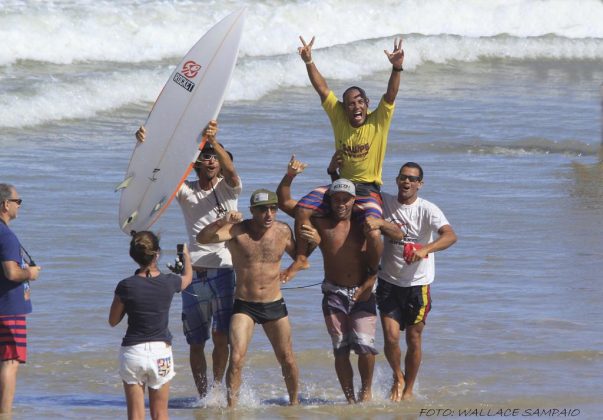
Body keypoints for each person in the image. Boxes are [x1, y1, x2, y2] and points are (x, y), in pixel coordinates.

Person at [282, 35, 405, 282]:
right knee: (303, 209)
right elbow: (322, 88)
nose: (355, 107)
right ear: (344, 107)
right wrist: (308, 61)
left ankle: (372, 273)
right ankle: (302, 258)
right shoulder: (338, 117)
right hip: (342, 186)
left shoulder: (378, 120)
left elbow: (390, 94)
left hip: (369, 189)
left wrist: (396, 66)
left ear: (367, 104)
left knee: (372, 228)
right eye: (350, 104)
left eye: (360, 102)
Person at [136, 120, 241, 398]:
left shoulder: (230, 189)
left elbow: (231, 170)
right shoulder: (187, 190)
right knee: (196, 341)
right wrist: (145, 144)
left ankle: (217, 391)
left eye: (214, 157)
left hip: (224, 270)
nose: (211, 160)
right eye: (205, 156)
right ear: (197, 162)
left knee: (221, 338)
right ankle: (204, 395)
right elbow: (157, 175)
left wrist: (213, 141)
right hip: (193, 274)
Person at [278, 164, 378, 403]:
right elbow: (284, 202)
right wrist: (290, 176)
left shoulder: (365, 222)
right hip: (333, 291)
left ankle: (366, 393)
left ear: (354, 200)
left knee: (365, 346)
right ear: (330, 200)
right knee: (340, 348)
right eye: (336, 199)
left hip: (363, 290)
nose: (341, 204)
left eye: (346, 199)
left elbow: (393, 235)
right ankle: (350, 400)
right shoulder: (320, 220)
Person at [197, 189, 299, 407]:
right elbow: (202, 238)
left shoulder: (283, 231)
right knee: (236, 360)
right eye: (263, 210)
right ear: (252, 210)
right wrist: (222, 220)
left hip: (274, 304)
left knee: (288, 359)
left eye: (273, 208)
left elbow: (300, 254)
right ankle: (232, 408)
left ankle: (294, 405)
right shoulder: (237, 231)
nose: (269, 214)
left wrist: (293, 269)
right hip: (245, 306)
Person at [365, 162, 457, 401]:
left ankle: (408, 390)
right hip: (388, 282)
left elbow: (450, 236)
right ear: (396, 181)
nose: (407, 182)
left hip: (418, 285)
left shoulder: (428, 209)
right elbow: (360, 190)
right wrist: (335, 171)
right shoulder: (384, 202)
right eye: (403, 177)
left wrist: (426, 248)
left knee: (413, 339)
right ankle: (398, 376)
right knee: (391, 338)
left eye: (412, 179)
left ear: (420, 184)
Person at [109, 231, 192, 419]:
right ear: (157, 254)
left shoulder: (126, 286)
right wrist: (186, 257)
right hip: (160, 354)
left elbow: (113, 321)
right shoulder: (169, 282)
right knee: (160, 413)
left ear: (134, 256)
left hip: (133, 353)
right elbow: (187, 279)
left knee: (136, 414)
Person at [0, 183, 41, 415]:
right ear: (6, 204)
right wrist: (30, 273)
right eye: (18, 201)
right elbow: (12, 272)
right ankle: (5, 413)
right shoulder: (6, 236)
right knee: (10, 361)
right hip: (8, 308)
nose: (19, 205)